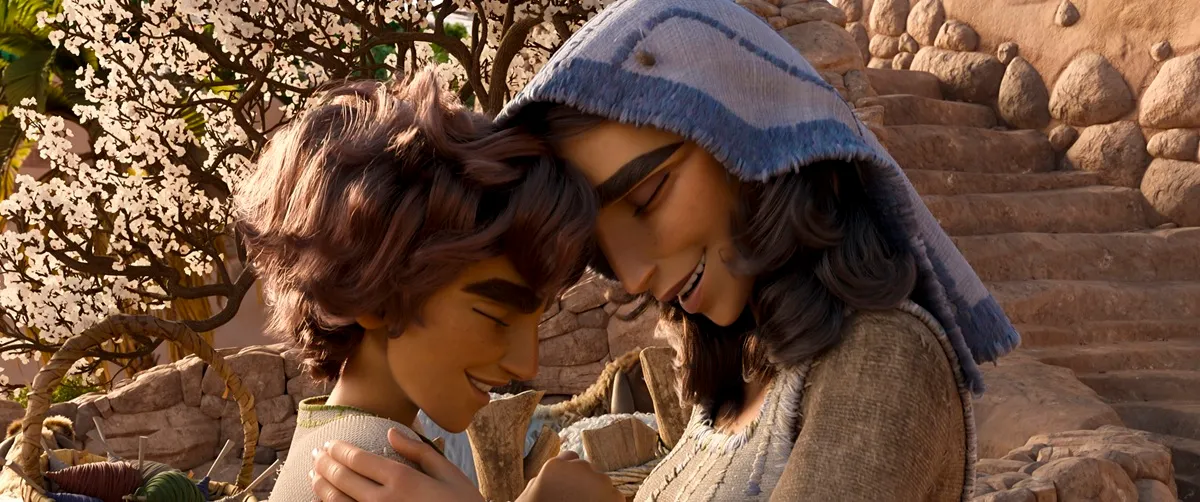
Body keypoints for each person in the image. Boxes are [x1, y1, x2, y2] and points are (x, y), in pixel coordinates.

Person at [308, 0, 1021, 500]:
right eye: (601, 243)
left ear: (745, 135)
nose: (631, 271)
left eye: (647, 197)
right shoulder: (739, 382)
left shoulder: (883, 358)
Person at [233, 69, 621, 502]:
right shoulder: (372, 469)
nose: (526, 365)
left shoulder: (338, 442)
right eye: (496, 317)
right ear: (375, 297)